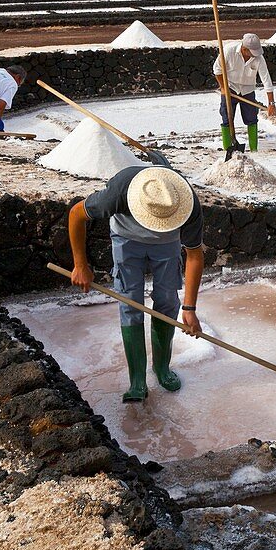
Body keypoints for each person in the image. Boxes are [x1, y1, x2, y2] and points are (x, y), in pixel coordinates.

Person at [68, 165, 205, 403]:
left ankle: (162, 369)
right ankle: (137, 380)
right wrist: (80, 264)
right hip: (126, 240)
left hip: (167, 244)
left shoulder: (186, 201)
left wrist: (190, 309)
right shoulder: (118, 193)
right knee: (130, 303)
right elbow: (76, 215)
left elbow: (194, 255)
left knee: (167, 303)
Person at [213, 33, 276, 152]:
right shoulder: (228, 51)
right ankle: (228, 149)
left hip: (248, 90)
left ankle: (254, 150)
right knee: (227, 117)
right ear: (245, 49)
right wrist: (223, 87)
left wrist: (271, 103)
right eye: (252, 51)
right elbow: (217, 70)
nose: (255, 54)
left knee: (251, 118)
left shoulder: (259, 58)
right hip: (230, 86)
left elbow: (266, 80)